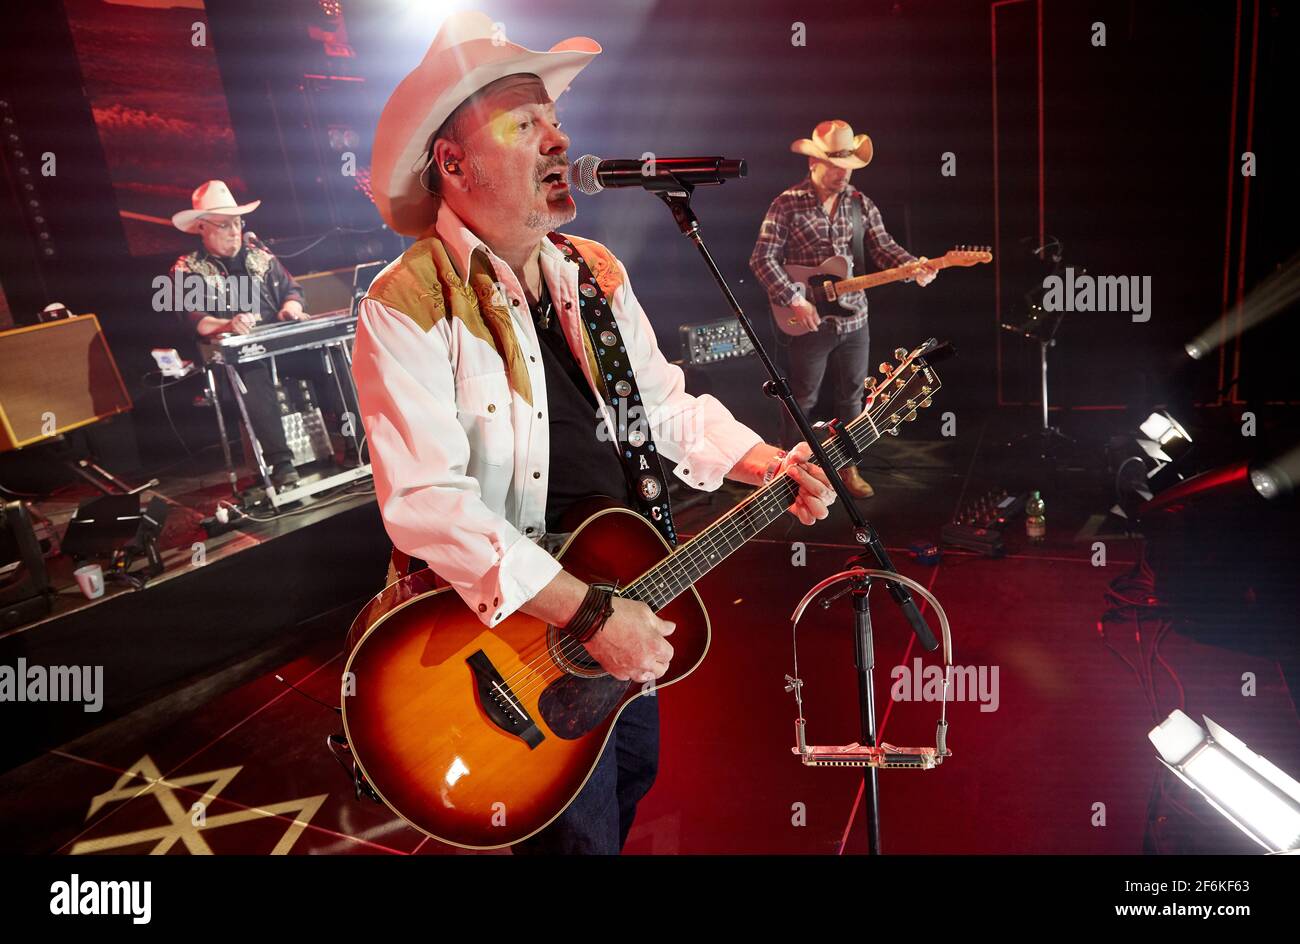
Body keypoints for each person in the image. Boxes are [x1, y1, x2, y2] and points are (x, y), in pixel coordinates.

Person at [352, 11, 838, 855]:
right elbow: (426, 504)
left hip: (618, 605)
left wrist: (764, 460)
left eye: (553, 119)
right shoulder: (406, 302)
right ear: (453, 163)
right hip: (518, 636)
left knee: (624, 794)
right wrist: (583, 615)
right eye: (524, 123)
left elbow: (661, 408)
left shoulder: (594, 273)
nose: (557, 138)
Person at [750, 121, 939, 498]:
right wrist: (794, 298)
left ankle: (849, 468)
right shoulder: (787, 203)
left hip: (855, 319)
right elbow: (762, 259)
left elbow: (885, 249)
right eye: (835, 165)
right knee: (801, 397)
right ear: (814, 164)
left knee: (854, 397)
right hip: (807, 321)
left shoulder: (860, 203)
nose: (843, 173)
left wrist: (914, 266)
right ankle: (790, 476)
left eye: (848, 165)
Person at [170, 180, 318, 487]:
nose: (234, 231)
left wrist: (290, 307)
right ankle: (282, 464)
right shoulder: (187, 270)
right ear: (201, 227)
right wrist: (227, 325)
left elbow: (293, 290)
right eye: (224, 225)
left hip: (282, 348)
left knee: (330, 352)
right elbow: (193, 320)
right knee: (253, 368)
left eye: (237, 223)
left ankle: (362, 443)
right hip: (234, 365)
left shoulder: (260, 256)